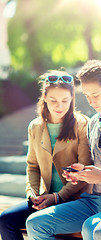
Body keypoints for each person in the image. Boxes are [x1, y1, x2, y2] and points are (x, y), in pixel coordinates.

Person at [25, 60, 101, 240]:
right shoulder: (94, 122)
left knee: (92, 228)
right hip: (94, 201)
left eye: (95, 95)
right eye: (87, 95)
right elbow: (94, 166)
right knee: (35, 224)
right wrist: (81, 173)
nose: (90, 101)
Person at [0, 70, 92, 240]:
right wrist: (33, 195)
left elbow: (85, 169)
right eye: (53, 100)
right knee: (6, 220)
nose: (59, 106)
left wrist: (57, 197)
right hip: (44, 197)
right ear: (44, 98)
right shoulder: (35, 126)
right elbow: (32, 166)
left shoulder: (82, 124)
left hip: (73, 200)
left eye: (65, 100)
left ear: (72, 99)